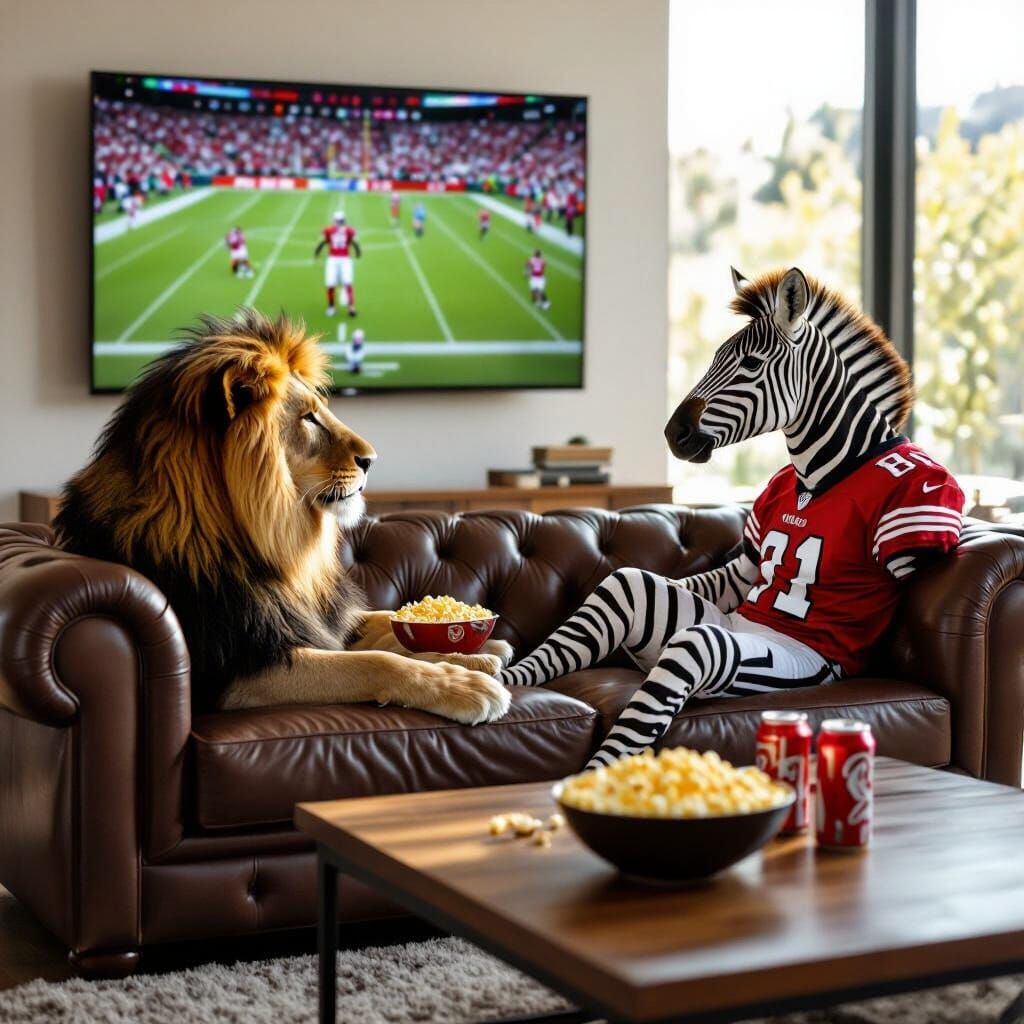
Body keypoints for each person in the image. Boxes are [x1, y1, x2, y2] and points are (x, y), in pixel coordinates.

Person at [314, 211, 361, 317]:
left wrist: (357, 251)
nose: (339, 223)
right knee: (330, 283)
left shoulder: (347, 231)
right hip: (333, 259)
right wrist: (318, 250)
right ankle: (331, 306)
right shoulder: (330, 231)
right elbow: (325, 241)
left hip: (344, 259)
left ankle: (351, 307)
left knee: (348, 282)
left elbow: (352, 241)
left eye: (340, 221)